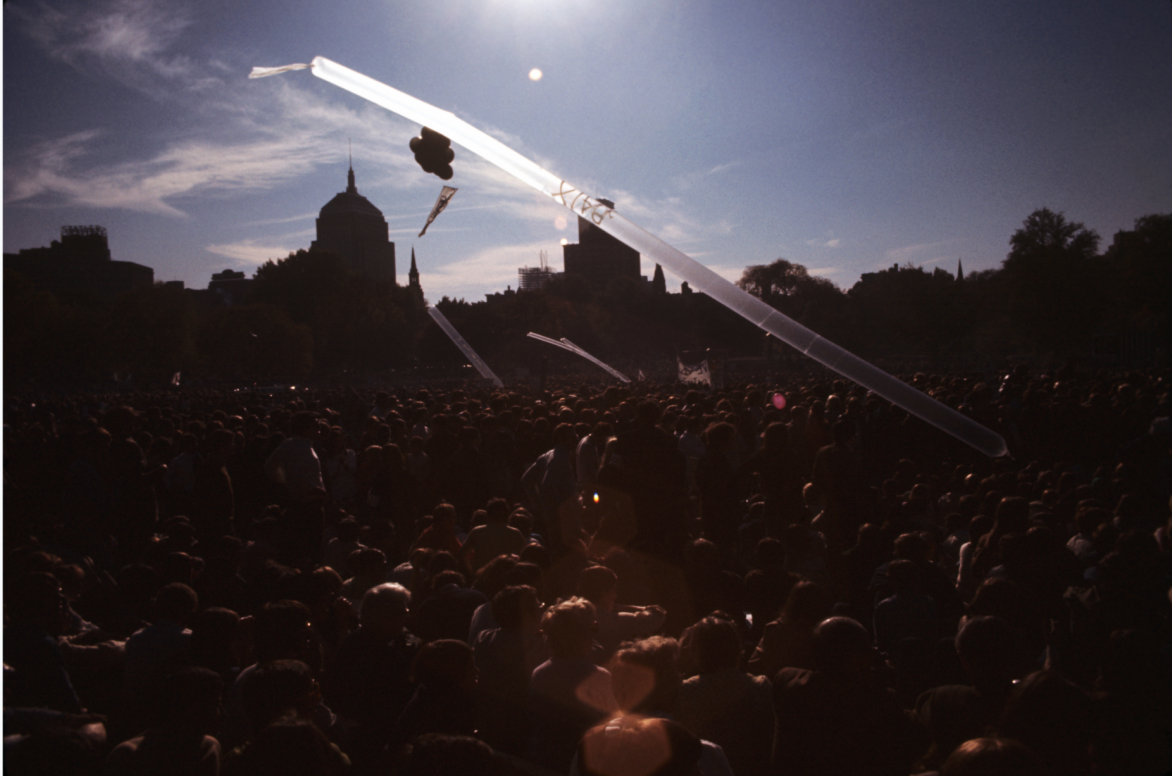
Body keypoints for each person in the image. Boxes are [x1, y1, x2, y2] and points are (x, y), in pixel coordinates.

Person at [771, 617, 928, 776]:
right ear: (855, 659)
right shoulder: (876, 701)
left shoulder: (787, 684)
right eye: (867, 648)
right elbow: (914, 740)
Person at [529, 597, 619, 773]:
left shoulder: (539, 674)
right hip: (584, 762)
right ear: (584, 637)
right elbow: (614, 722)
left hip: (545, 757)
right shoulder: (598, 676)